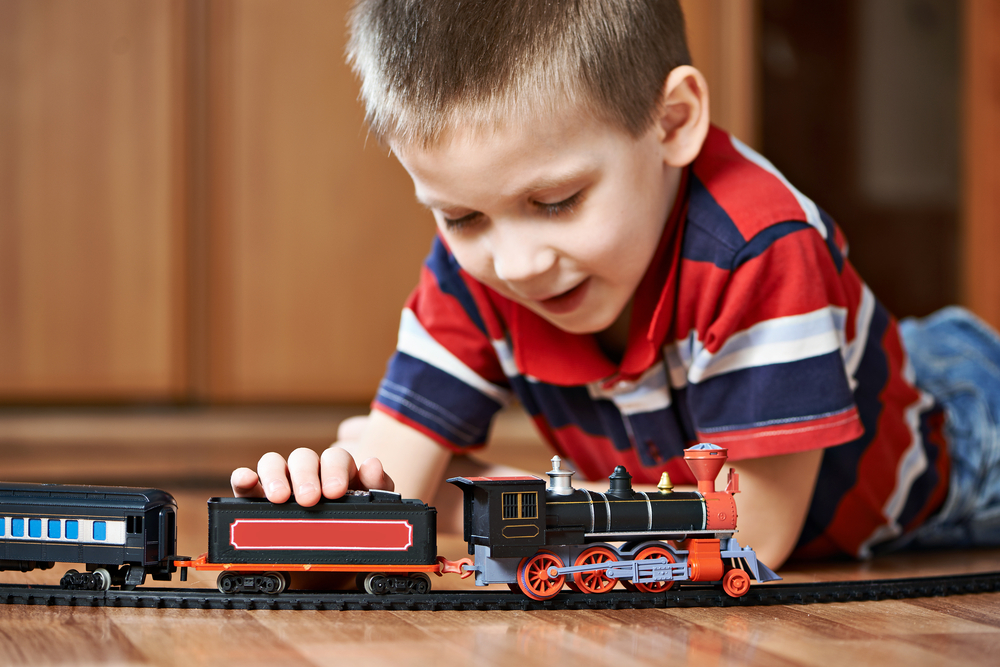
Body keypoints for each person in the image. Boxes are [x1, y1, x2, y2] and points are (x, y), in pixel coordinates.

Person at [230, 0, 1000, 568]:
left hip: (961, 442)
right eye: (462, 215)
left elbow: (755, 533)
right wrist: (337, 490)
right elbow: (398, 489)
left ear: (671, 123)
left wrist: (564, 509)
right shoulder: (474, 276)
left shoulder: (759, 249)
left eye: (556, 202)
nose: (518, 262)